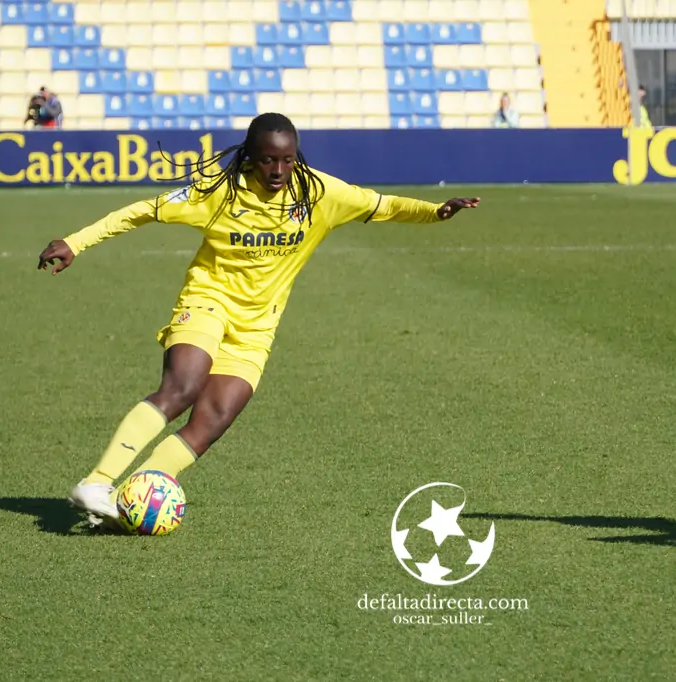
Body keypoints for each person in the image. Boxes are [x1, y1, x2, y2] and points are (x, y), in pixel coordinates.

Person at [37, 112, 480, 530]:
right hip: (208, 301)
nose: (278, 170)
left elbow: (382, 205)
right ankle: (97, 482)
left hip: (256, 327)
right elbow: (142, 211)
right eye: (268, 159)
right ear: (250, 157)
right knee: (183, 387)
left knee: (212, 418)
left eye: (287, 159)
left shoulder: (318, 195)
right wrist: (76, 242)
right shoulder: (219, 193)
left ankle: (132, 497)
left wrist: (436, 211)